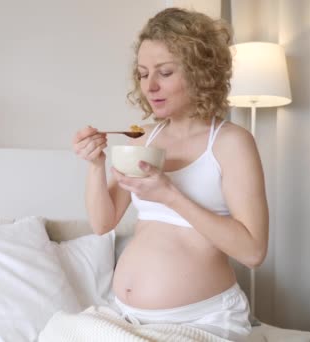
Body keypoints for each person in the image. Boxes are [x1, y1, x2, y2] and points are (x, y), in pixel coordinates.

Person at [71, 7, 268, 341]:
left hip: (201, 321)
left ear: (199, 72)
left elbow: (253, 251)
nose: (150, 86)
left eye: (164, 72)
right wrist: (95, 165)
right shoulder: (144, 138)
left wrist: (171, 196)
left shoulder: (230, 143)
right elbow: (102, 223)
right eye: (143, 73)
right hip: (126, 318)